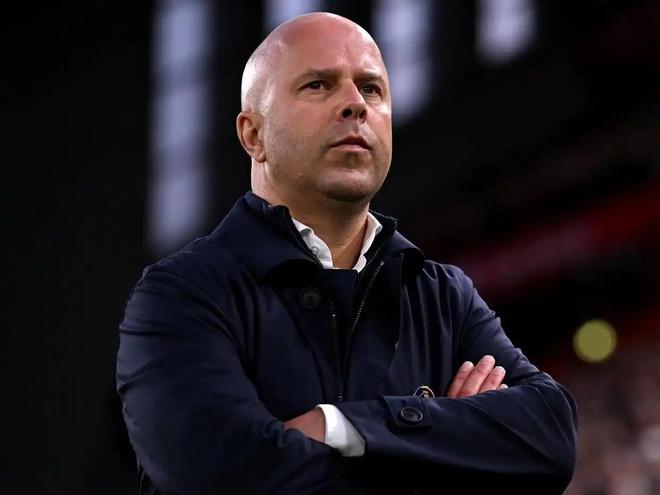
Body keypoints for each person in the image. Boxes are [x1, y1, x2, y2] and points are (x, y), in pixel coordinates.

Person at [116, 12, 578, 494]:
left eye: (371, 88)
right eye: (318, 85)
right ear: (253, 135)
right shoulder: (180, 295)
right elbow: (222, 478)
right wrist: (445, 448)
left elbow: (551, 436)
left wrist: (337, 426)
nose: (355, 103)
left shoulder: (443, 296)